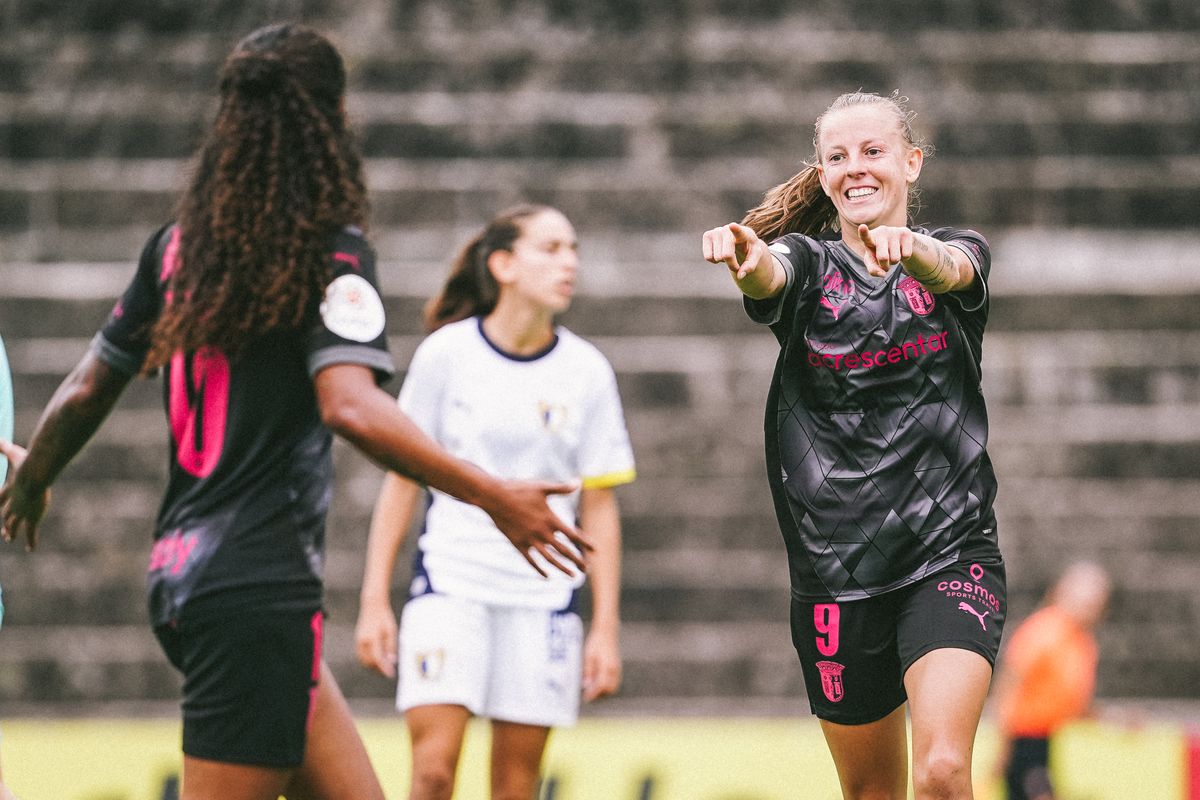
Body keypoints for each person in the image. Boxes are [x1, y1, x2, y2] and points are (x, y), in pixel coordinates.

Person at [0, 24, 591, 800]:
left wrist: (35, 478)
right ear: (329, 119)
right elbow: (349, 404)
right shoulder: (329, 253)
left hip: (186, 574)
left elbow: (85, 387)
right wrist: (492, 495)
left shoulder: (176, 250)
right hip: (255, 590)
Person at [702, 90, 1006, 800]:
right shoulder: (806, 267)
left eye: (873, 151)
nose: (856, 168)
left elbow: (954, 268)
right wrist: (747, 257)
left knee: (942, 770)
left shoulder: (960, 256)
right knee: (873, 793)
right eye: (837, 156)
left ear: (911, 162)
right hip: (835, 574)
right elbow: (768, 273)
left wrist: (915, 252)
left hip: (948, 553)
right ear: (822, 172)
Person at [354, 204, 635, 800]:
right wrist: (375, 597)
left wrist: (604, 628)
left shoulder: (587, 371)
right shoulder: (446, 355)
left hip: (543, 599)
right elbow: (403, 477)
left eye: (574, 250)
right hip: (450, 588)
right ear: (503, 264)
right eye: (552, 248)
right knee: (431, 773)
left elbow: (600, 507)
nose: (569, 263)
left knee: (515, 787)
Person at [991, 562, 1110, 800]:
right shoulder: (1044, 632)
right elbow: (1011, 684)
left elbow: (1073, 699)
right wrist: (1003, 744)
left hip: (1051, 738)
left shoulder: (1082, 641)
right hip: (1025, 740)